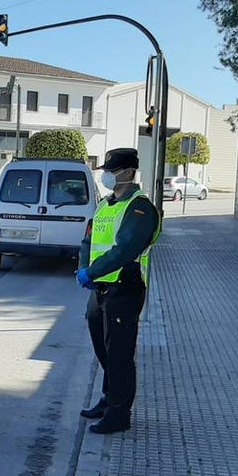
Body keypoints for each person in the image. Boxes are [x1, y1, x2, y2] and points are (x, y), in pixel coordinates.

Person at [76, 147, 162, 434]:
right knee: (103, 347)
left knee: (119, 354)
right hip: (99, 288)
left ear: (128, 172)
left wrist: (93, 271)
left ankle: (119, 414)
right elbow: (89, 239)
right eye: (106, 172)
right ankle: (108, 398)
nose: (108, 177)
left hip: (124, 287)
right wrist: (82, 269)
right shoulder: (105, 204)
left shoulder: (140, 209)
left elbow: (124, 249)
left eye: (112, 172)